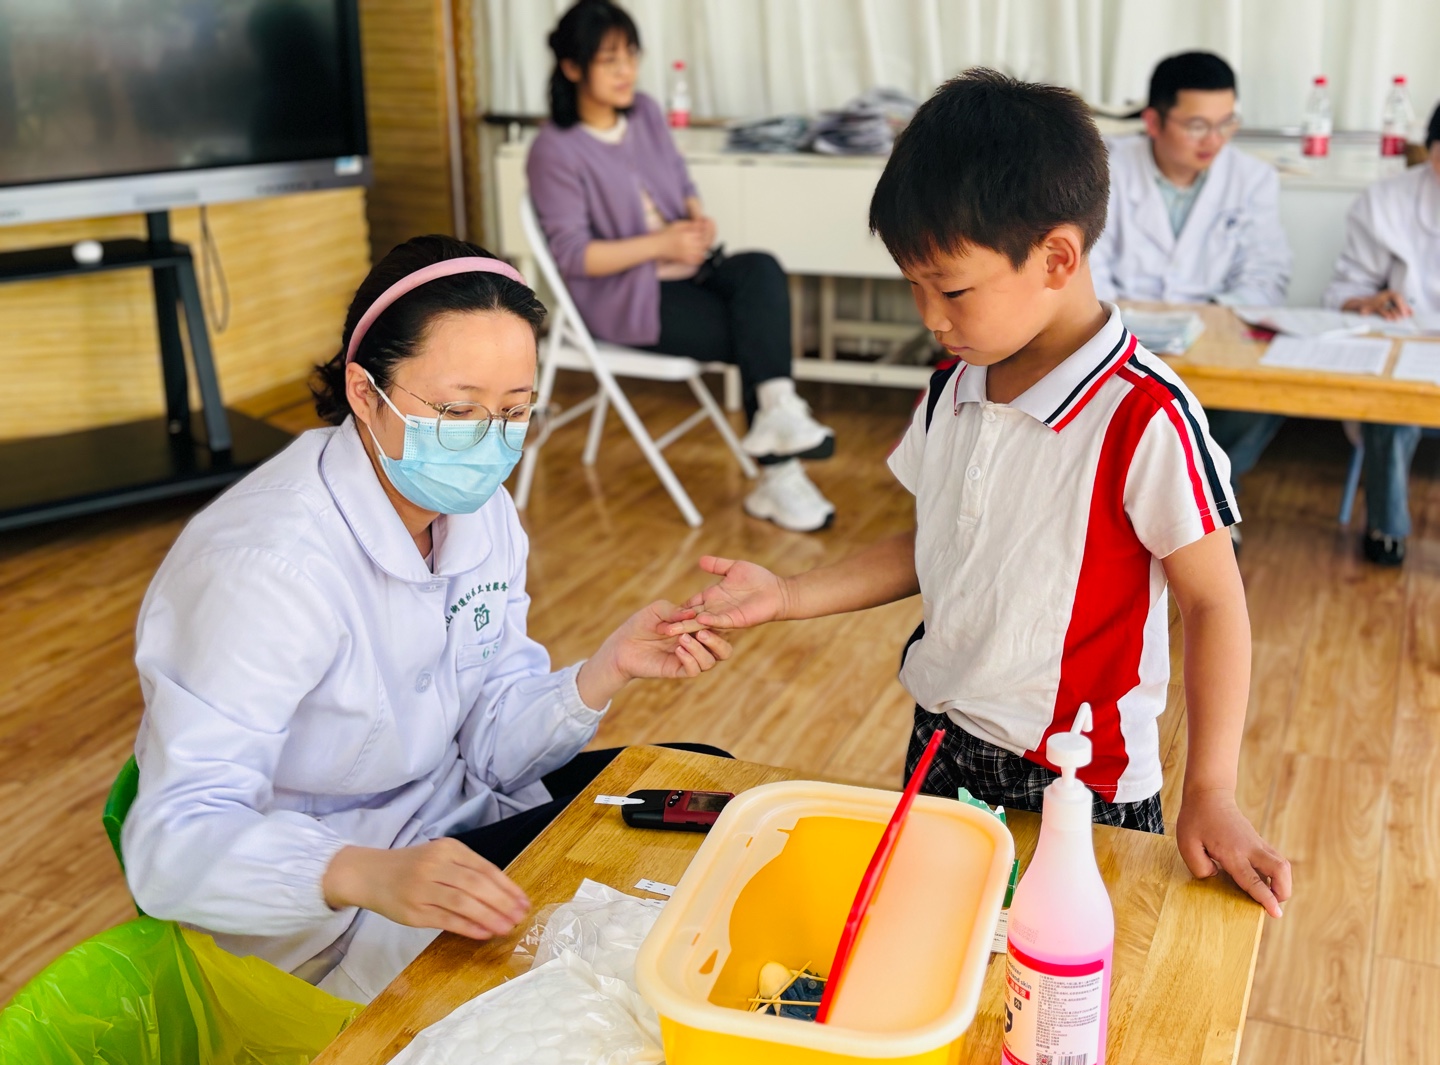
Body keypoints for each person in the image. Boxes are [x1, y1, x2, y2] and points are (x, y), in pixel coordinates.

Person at [669, 71, 1292, 917]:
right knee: (929, 936)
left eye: (952, 289)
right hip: (941, 740)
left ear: (1057, 258)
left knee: (1053, 969)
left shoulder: (1144, 416)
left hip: (1075, 778)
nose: (930, 316)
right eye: (914, 286)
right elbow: (933, 541)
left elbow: (1215, 603)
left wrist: (1211, 789)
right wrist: (786, 594)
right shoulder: (954, 386)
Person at [121, 236, 733, 1004]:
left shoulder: (481, 515)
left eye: (514, 411)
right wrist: (361, 874)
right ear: (364, 391)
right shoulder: (267, 568)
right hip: (336, 903)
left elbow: (491, 748)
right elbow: (172, 840)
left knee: (700, 783)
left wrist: (604, 670)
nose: (490, 440)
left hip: (448, 828)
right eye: (456, 410)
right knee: (627, 948)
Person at [526, 0, 836, 533]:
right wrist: (661, 244)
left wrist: (695, 218)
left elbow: (680, 179)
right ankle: (780, 473)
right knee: (754, 331)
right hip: (624, 298)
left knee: (761, 268)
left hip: (687, 267)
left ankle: (778, 414)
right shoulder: (553, 151)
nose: (627, 71)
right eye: (609, 60)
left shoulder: (645, 112)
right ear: (572, 67)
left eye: (631, 56)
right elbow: (574, 255)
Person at [1090, 52, 1293, 546]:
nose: (1214, 140)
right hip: (1123, 335)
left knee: (1267, 393)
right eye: (1197, 125)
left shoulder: (1252, 179)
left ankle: (1206, 499)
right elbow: (1087, 269)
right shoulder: (1102, 169)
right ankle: (1161, 510)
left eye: (1226, 124)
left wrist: (1205, 323)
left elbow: (1266, 273)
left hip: (1216, 333)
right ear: (1153, 121)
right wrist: (1139, 326)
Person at [1321, 103, 1440, 566]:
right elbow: (1343, 291)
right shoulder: (1387, 202)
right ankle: (1387, 527)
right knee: (1393, 401)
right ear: (1430, 152)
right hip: (1406, 343)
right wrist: (1369, 301)